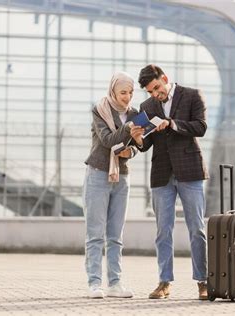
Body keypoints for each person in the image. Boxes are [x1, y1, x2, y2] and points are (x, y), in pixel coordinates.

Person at [129, 64, 209, 300]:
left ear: (164, 78)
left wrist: (172, 123)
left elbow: (201, 127)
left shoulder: (192, 95)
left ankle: (203, 282)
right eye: (150, 92)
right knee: (163, 231)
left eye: (156, 88)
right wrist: (137, 140)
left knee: (197, 229)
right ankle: (164, 282)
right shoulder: (147, 107)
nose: (155, 94)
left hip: (190, 171)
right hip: (162, 174)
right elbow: (146, 145)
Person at [83, 72, 138, 299]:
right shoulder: (100, 109)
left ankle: (115, 283)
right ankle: (94, 284)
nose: (127, 97)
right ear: (113, 91)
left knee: (115, 235)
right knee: (95, 234)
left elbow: (136, 145)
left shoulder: (135, 114)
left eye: (131, 92)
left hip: (121, 175)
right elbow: (107, 140)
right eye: (123, 92)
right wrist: (128, 129)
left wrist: (131, 150)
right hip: (98, 174)